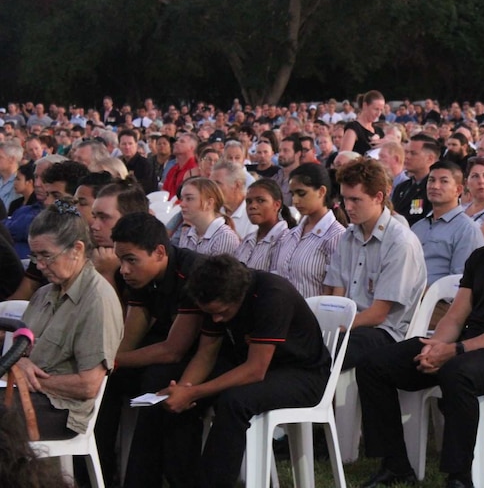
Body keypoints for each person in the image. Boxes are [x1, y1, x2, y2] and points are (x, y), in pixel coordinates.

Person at [356, 177, 484, 488]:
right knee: (374, 364)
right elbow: (455, 316)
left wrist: (454, 351)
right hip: (466, 348)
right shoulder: (481, 258)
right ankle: (395, 464)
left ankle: (459, 476)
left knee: (458, 371)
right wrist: (434, 347)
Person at [159, 254, 331, 488]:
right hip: (261, 366)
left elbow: (255, 371)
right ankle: (183, 482)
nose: (216, 319)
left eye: (222, 313)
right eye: (210, 314)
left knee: (234, 401)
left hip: (304, 373)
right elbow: (206, 353)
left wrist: (195, 392)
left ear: (239, 297)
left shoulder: (272, 295)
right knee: (177, 400)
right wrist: (184, 390)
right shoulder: (214, 299)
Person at [98, 213, 206, 487]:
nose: (123, 270)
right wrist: (107, 366)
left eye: (131, 260)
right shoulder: (141, 278)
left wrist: (111, 361)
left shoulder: (193, 272)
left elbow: (174, 350)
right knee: (104, 382)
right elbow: (131, 335)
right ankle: (97, 474)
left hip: (206, 357)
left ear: (159, 252)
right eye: (120, 260)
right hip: (169, 350)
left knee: (156, 383)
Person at [17, 200, 123, 441]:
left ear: (76, 249)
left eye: (46, 256)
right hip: (25, 394)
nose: (40, 265)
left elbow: (88, 386)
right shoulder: (45, 293)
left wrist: (30, 380)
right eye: (35, 256)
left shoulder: (97, 299)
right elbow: (20, 349)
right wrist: (19, 364)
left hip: (62, 409)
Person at [323, 157, 426, 370]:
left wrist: (339, 326)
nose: (347, 207)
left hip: (386, 332)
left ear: (378, 197)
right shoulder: (348, 236)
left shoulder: (400, 242)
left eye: (356, 200)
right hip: (352, 327)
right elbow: (337, 295)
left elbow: (379, 313)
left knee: (326, 352)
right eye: (344, 199)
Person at [271, 163, 346, 297]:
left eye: (302, 193)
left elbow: (336, 292)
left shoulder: (336, 236)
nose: (295, 201)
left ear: (321, 192)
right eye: (292, 194)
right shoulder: (290, 235)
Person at [411, 161, 484, 286]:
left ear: (458, 189)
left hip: (440, 301)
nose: (435, 186)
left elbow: (460, 282)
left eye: (444, 181)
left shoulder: (467, 230)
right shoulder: (418, 227)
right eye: (431, 180)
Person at [235, 178, 290, 271]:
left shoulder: (285, 240)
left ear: (277, 205)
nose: (252, 206)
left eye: (260, 200)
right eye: (249, 202)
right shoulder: (247, 240)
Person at [177, 177, 241, 256]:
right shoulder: (187, 234)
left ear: (209, 203)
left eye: (189, 198)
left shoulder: (225, 237)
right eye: (182, 199)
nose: (182, 204)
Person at [391, 134, 439, 226]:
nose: (407, 157)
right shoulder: (402, 187)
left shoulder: (434, 190)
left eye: (413, 153)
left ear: (430, 159)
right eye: (406, 152)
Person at [341, 91, 385, 155]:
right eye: (376, 109)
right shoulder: (354, 128)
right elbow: (343, 157)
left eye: (381, 110)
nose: (378, 114)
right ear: (365, 105)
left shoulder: (379, 131)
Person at [118, 129, 157, 193]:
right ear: (119, 146)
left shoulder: (145, 165)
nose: (127, 147)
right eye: (124, 144)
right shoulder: (118, 164)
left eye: (130, 144)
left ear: (136, 145)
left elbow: (147, 187)